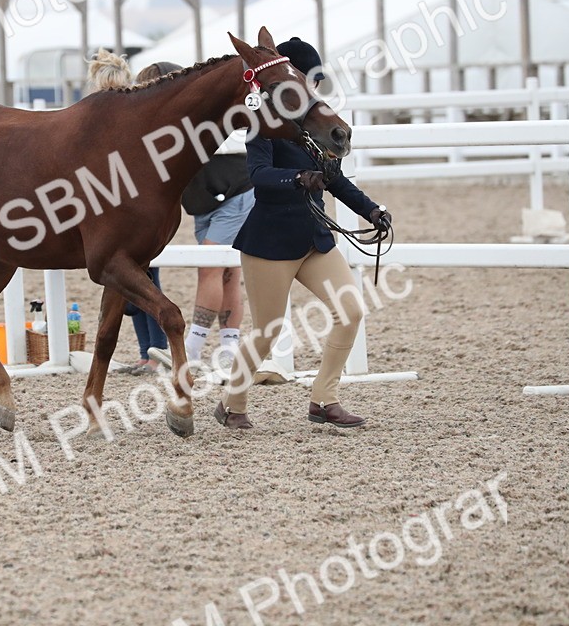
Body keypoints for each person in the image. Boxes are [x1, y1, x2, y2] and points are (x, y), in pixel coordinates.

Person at [215, 37, 392, 430]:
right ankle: (233, 403)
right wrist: (298, 177)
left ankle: (324, 399)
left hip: (314, 240)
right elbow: (259, 177)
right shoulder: (265, 125)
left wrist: (372, 210)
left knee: (350, 311)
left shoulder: (316, 127)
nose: (312, 90)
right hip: (270, 244)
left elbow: (337, 182)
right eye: (306, 81)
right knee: (267, 330)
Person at [83, 50, 171, 373]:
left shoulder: (133, 119)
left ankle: (157, 350)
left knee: (146, 282)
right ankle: (146, 351)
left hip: (136, 215)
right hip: (114, 214)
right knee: (131, 287)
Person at [177, 71, 255, 377]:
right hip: (208, 201)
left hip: (235, 195)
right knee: (227, 272)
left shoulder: (209, 114)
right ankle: (228, 349)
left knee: (210, 267)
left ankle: (192, 350)